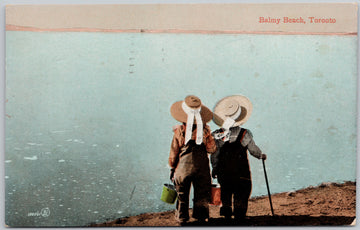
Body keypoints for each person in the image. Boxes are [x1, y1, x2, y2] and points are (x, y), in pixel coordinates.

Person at [210, 95, 267, 220]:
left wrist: (214, 168)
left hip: (223, 172)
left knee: (225, 192)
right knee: (242, 191)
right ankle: (239, 215)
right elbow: (253, 149)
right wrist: (260, 155)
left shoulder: (217, 135)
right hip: (241, 171)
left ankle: (226, 214)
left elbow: (214, 154)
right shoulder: (244, 134)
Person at [168, 95, 217, 224]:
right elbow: (211, 149)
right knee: (202, 194)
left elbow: (174, 152)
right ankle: (201, 218)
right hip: (202, 168)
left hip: (183, 168)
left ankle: (182, 218)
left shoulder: (179, 130)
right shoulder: (206, 129)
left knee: (182, 195)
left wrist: (172, 168)